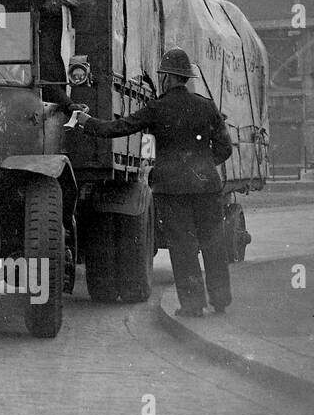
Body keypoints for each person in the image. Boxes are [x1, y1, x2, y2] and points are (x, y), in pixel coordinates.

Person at [73, 48, 233, 317]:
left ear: (168, 78)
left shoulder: (157, 108)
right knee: (213, 242)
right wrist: (202, 166)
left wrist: (86, 121)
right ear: (185, 78)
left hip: (172, 190)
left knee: (183, 247)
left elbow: (119, 128)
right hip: (206, 186)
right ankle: (220, 299)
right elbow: (225, 149)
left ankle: (193, 305)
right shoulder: (206, 106)